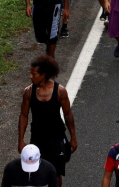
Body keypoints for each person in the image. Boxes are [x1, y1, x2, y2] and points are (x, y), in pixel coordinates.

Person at [18, 56, 77, 185]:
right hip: (37, 138)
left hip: (56, 137)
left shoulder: (60, 92)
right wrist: (21, 140)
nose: (30, 76)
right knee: (36, 172)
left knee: (56, 173)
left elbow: (68, 115)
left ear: (43, 75)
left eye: (34, 74)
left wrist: (73, 137)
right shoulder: (28, 92)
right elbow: (23, 115)